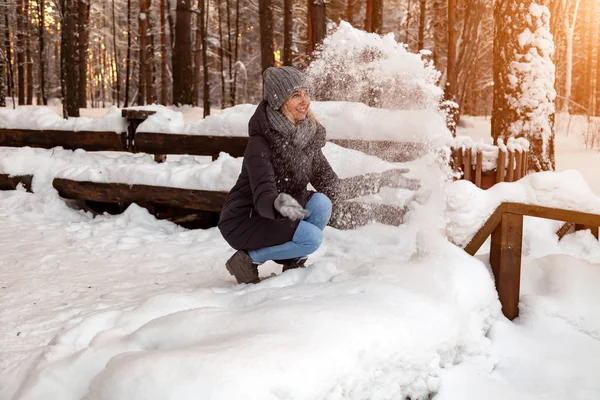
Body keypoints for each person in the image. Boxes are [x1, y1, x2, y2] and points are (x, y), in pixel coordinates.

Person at [218, 66, 419, 284]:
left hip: (280, 213)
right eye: (296, 95)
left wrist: (380, 181)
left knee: (322, 203)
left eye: (306, 93)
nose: (305, 101)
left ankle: (292, 260)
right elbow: (264, 199)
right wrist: (286, 209)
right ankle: (247, 259)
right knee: (311, 238)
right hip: (244, 221)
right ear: (279, 102)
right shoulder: (261, 144)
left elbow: (333, 187)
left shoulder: (306, 139)